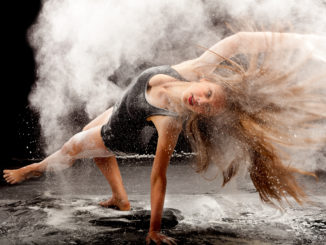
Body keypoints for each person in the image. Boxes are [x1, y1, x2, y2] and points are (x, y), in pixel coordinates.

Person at [3, 31, 326, 244]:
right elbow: (239, 40)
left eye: (207, 109)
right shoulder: (194, 68)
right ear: (206, 80)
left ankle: (30, 168)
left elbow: (159, 177)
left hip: (122, 131)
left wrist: (154, 229)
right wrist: (298, 41)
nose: (199, 102)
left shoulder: (169, 121)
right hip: (122, 107)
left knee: (73, 147)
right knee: (93, 142)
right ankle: (121, 199)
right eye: (207, 94)